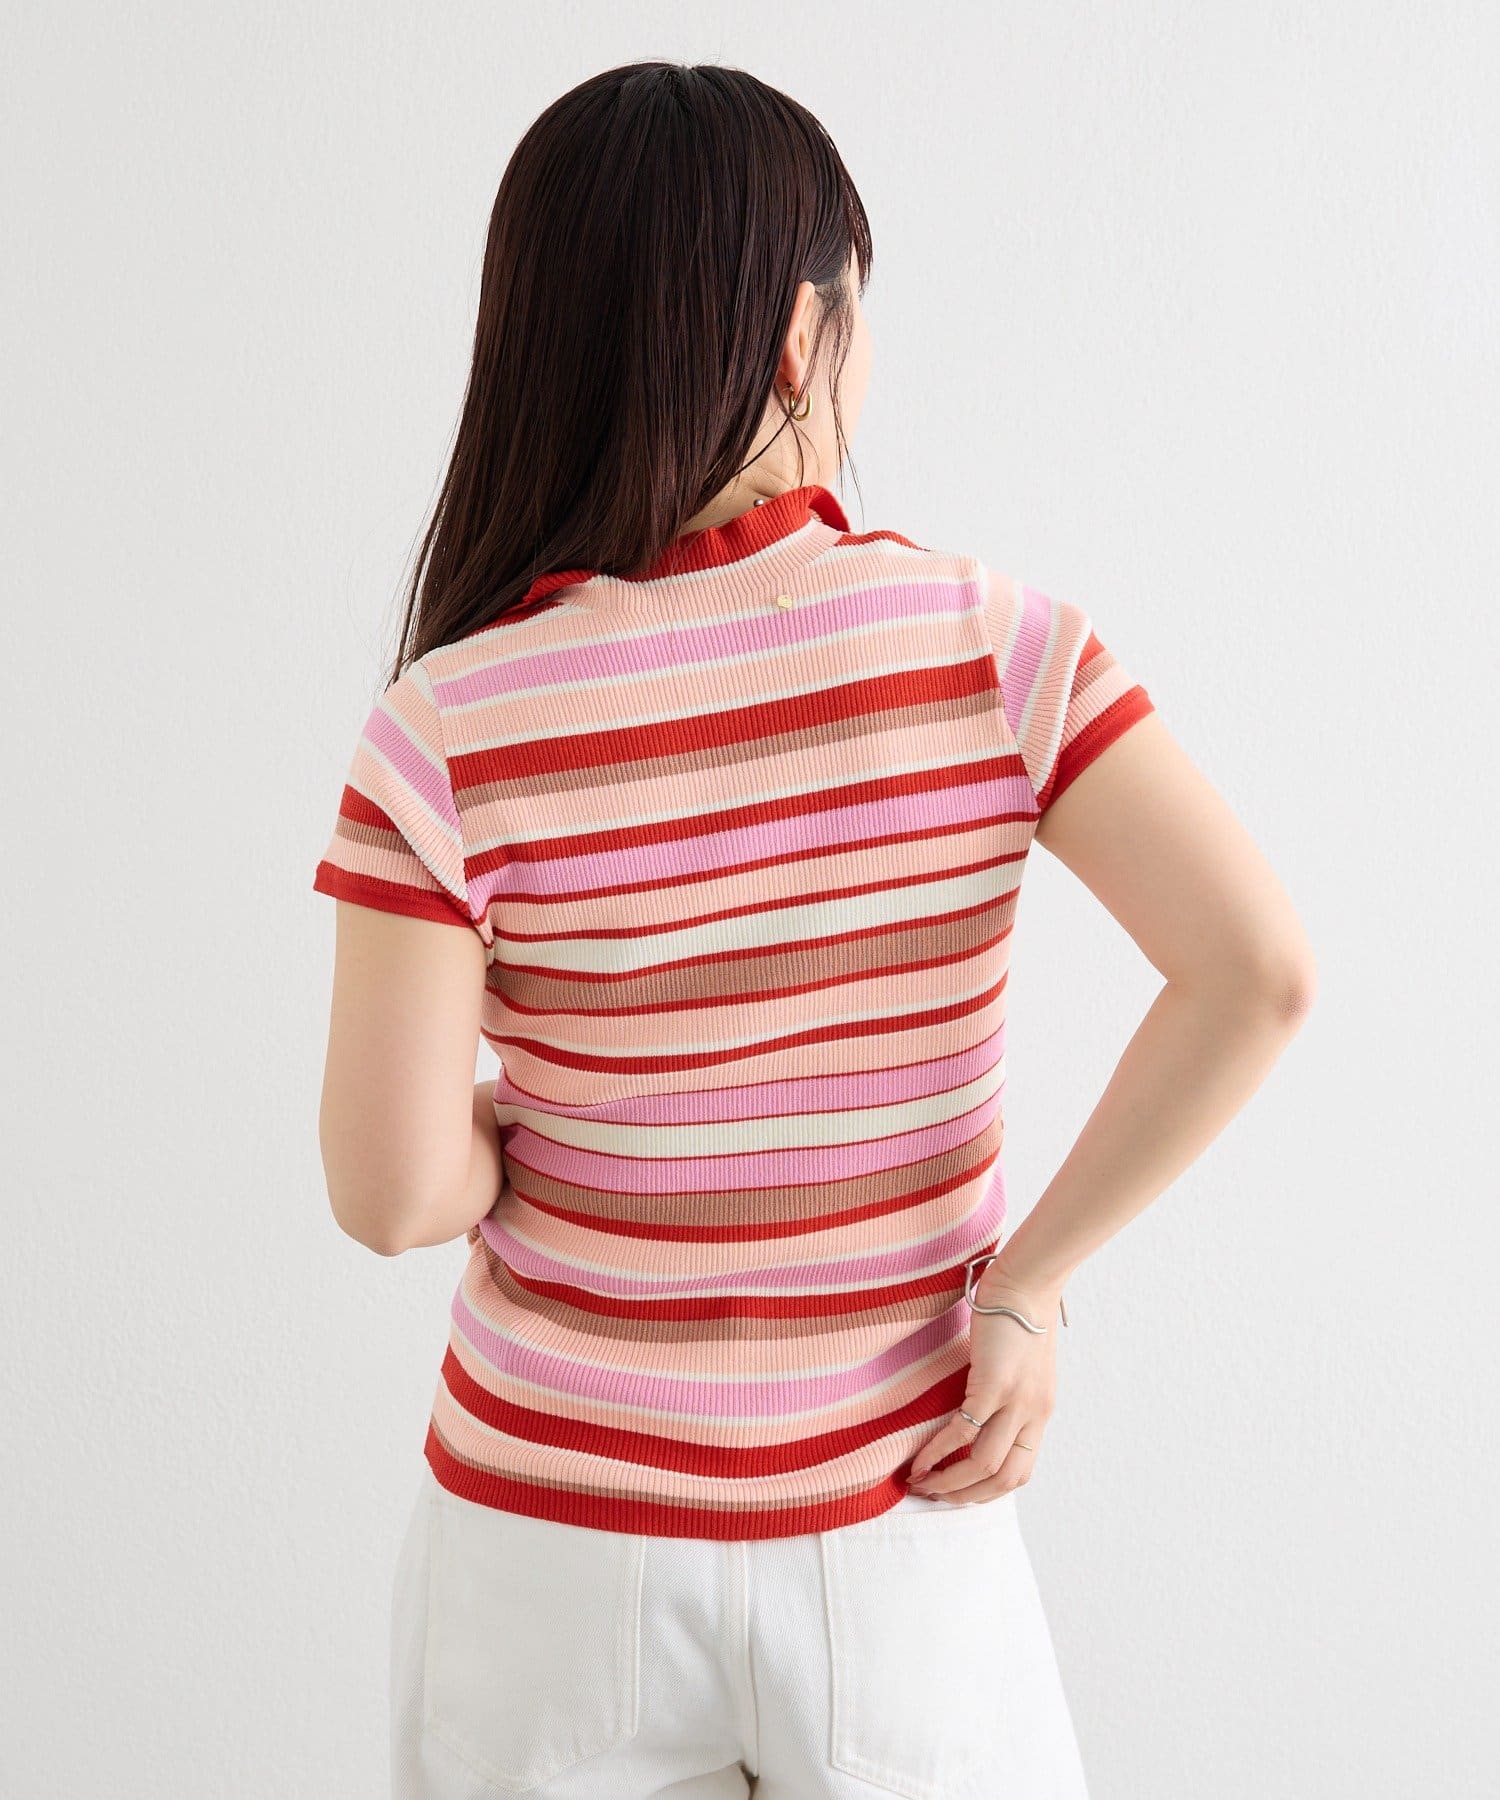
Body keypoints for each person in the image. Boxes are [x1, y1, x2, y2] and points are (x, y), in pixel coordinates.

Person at [312, 60, 1316, 1800]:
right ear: (800, 337)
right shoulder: (995, 649)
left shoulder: (448, 724)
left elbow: (391, 1194)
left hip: (548, 1550)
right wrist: (1027, 1292)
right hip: (899, 1516)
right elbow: (1257, 972)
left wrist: (532, 1123)